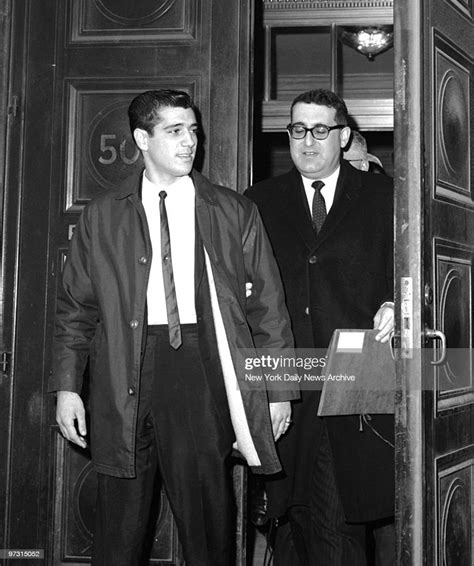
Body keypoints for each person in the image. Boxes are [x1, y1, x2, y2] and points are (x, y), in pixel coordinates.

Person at [49, 89, 298, 566]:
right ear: (142, 138)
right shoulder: (102, 215)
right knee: (119, 528)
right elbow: (75, 310)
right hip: (124, 367)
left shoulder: (232, 210)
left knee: (208, 521)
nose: (190, 142)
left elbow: (269, 307)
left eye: (194, 131)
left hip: (199, 368)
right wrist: (67, 387)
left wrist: (280, 389)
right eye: (175, 131)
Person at [246, 89, 395, 566]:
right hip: (286, 375)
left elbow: (417, 268)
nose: (307, 141)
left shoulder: (382, 194)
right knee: (290, 520)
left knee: (340, 518)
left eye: (320, 130)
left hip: (354, 374)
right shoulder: (260, 201)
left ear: (344, 134)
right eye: (297, 130)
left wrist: (399, 301)